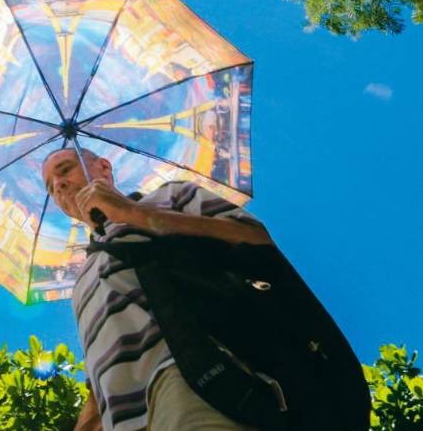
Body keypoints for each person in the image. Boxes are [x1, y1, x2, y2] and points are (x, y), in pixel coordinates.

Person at [41, 147, 369, 431]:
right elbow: (101, 372)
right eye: (50, 186)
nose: (59, 185)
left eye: (65, 169)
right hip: (122, 419)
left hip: (191, 381)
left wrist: (135, 214)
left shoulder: (171, 197)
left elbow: (256, 242)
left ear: (104, 167)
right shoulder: (82, 282)